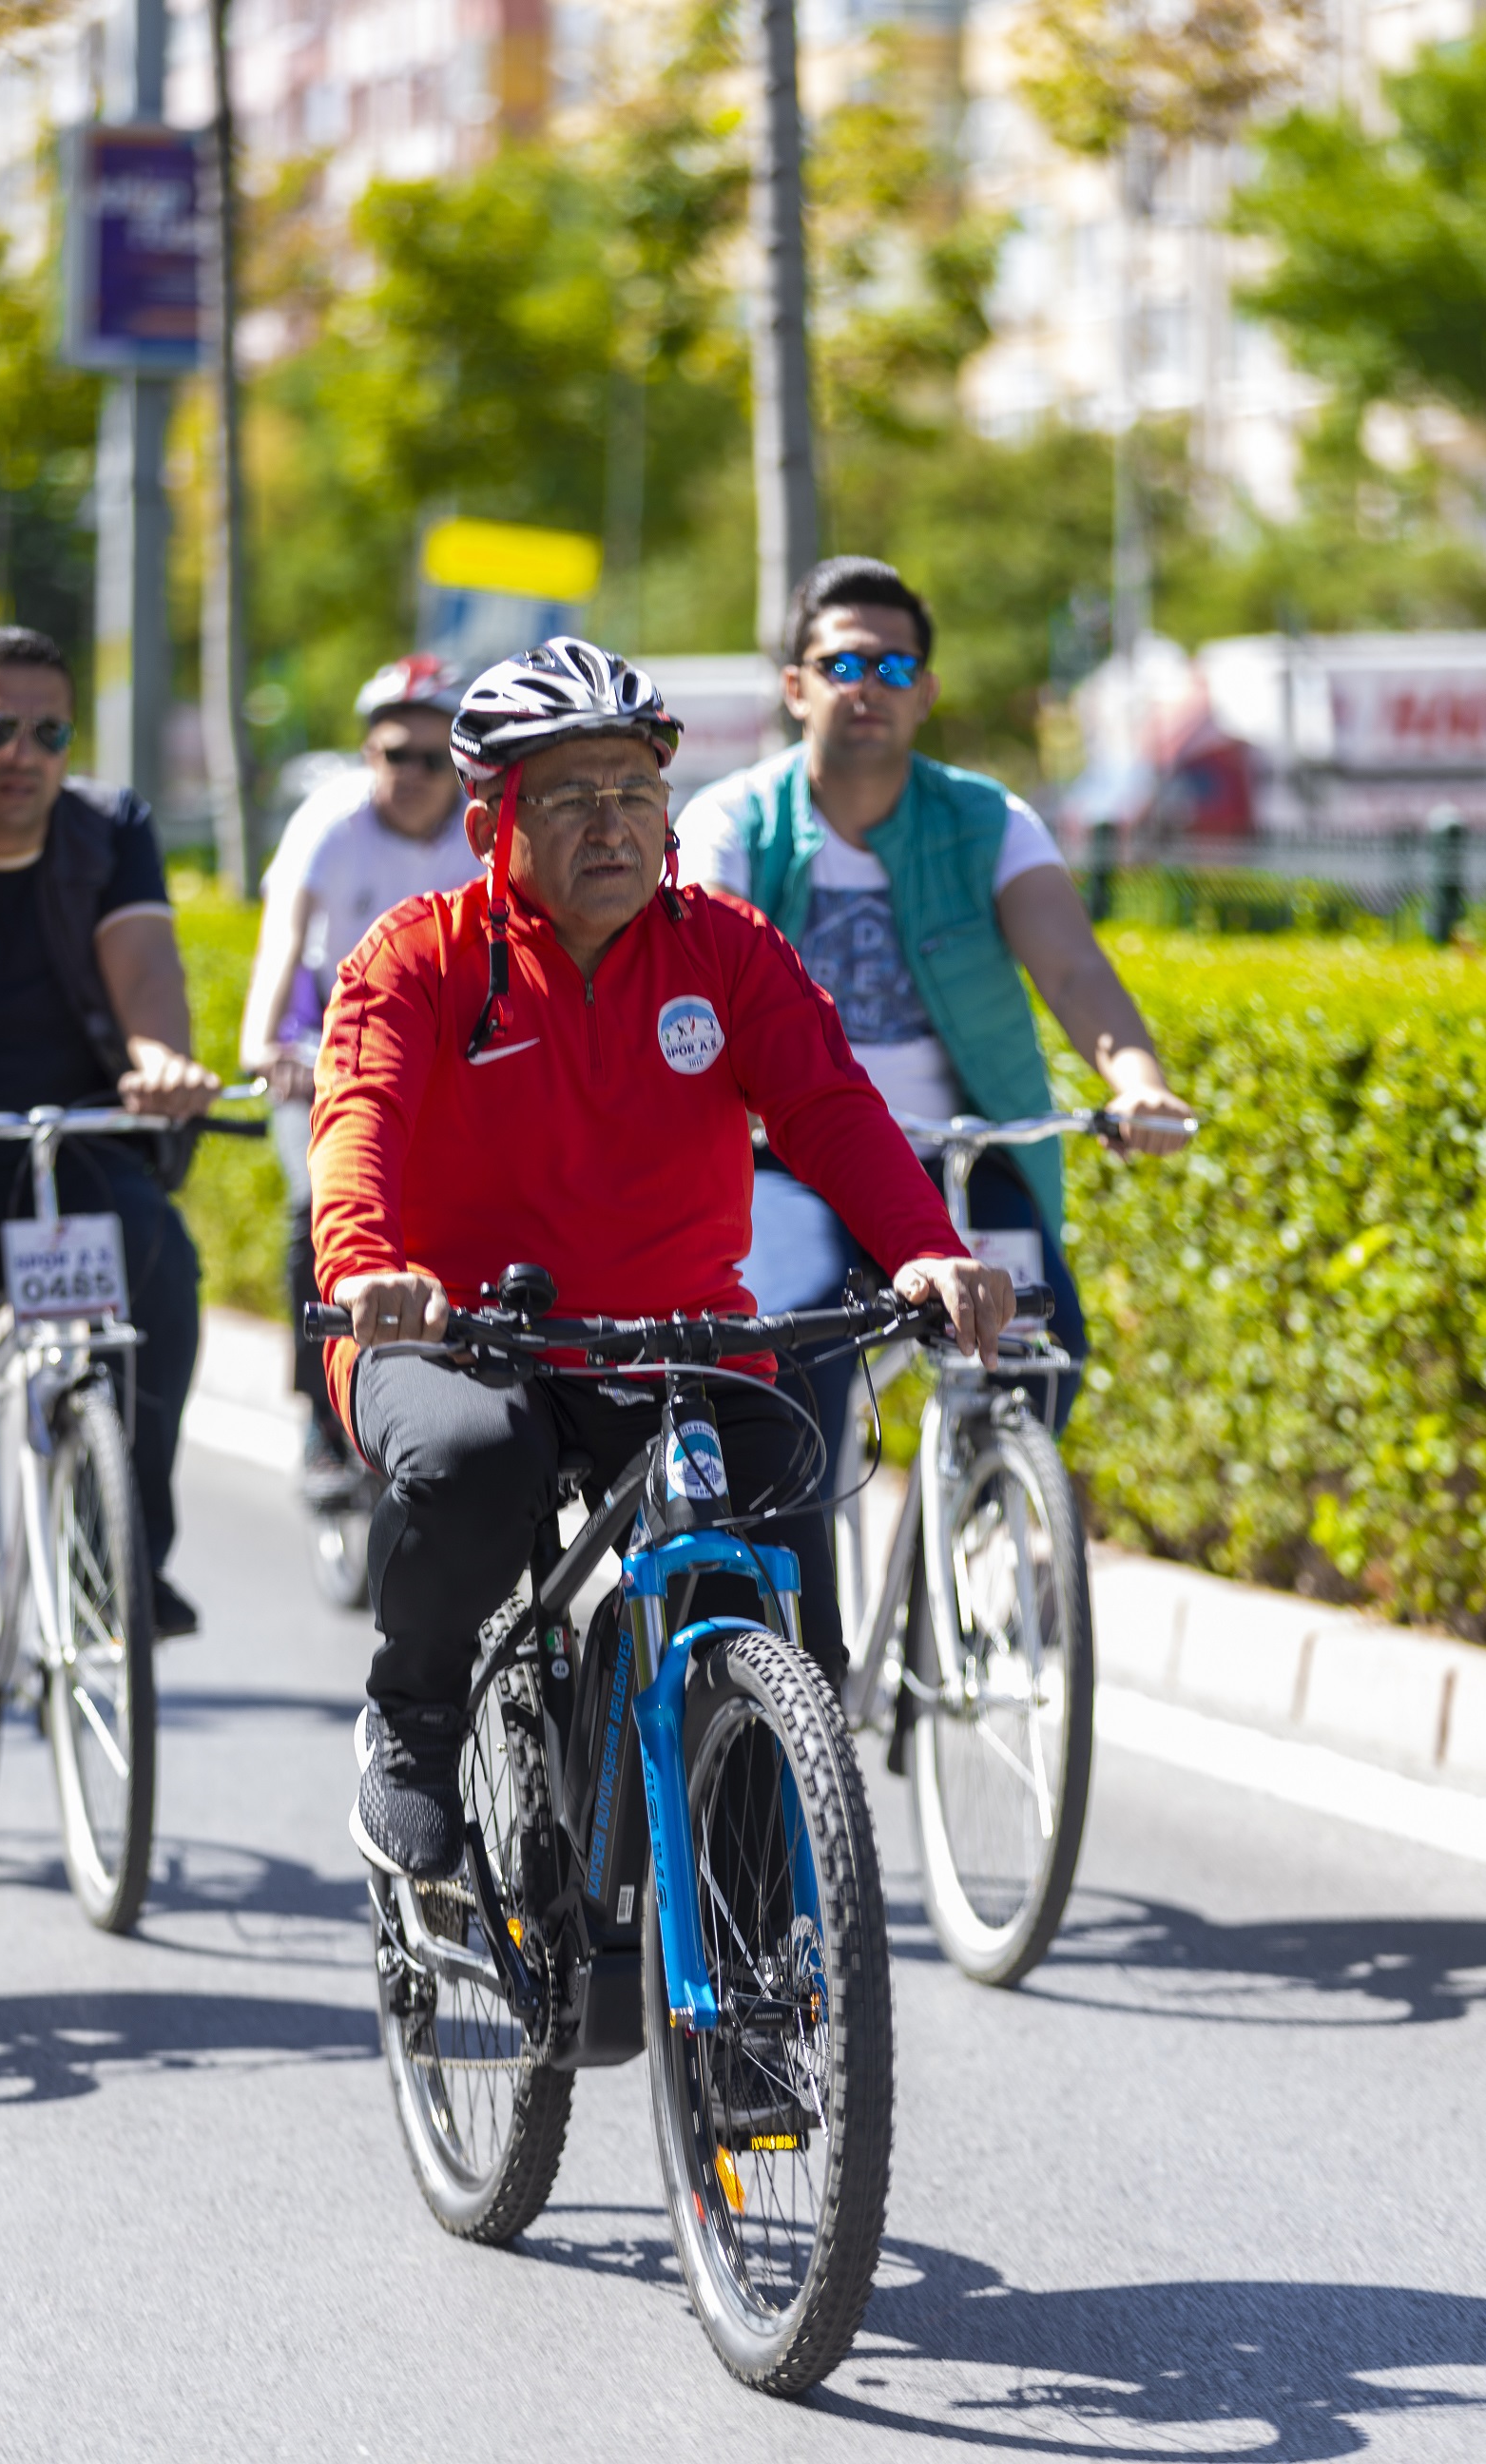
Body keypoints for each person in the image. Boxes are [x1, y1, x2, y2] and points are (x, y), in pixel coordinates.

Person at [307, 637, 1014, 1879]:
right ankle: (412, 1722)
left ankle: (754, 1958)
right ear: (491, 820)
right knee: (476, 1460)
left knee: (774, 1496)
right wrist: (368, 1268)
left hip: (678, 1328)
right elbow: (356, 1119)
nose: (613, 825)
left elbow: (833, 1111)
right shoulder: (414, 958)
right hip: (460, 1333)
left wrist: (924, 1251)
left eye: (636, 793)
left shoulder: (726, 949)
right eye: (573, 797)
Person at [673, 554, 1193, 1480]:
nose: (868, 685)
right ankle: (801, 1601)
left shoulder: (992, 821)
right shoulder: (733, 823)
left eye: (895, 667)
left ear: (927, 693)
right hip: (792, 1158)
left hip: (961, 1153)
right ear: (794, 687)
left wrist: (1139, 1084)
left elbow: (1072, 971)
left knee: (1041, 1356)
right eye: (841, 665)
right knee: (790, 1353)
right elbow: (702, 969)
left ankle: (984, 1536)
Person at [0, 626, 217, 1636]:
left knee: (161, 1284)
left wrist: (160, 1062)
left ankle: (117, 1560)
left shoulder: (107, 828)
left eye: (50, 732)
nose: (26, 754)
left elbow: (143, 971)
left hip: (67, 1148)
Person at [239, 655, 474, 1491]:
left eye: (430, 757)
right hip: (326, 1047)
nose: (407, 774)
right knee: (320, 1215)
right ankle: (317, 1413)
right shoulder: (328, 821)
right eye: (389, 754)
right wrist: (263, 1043)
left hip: (447, 1056)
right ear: (366, 754)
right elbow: (280, 943)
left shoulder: (484, 831)